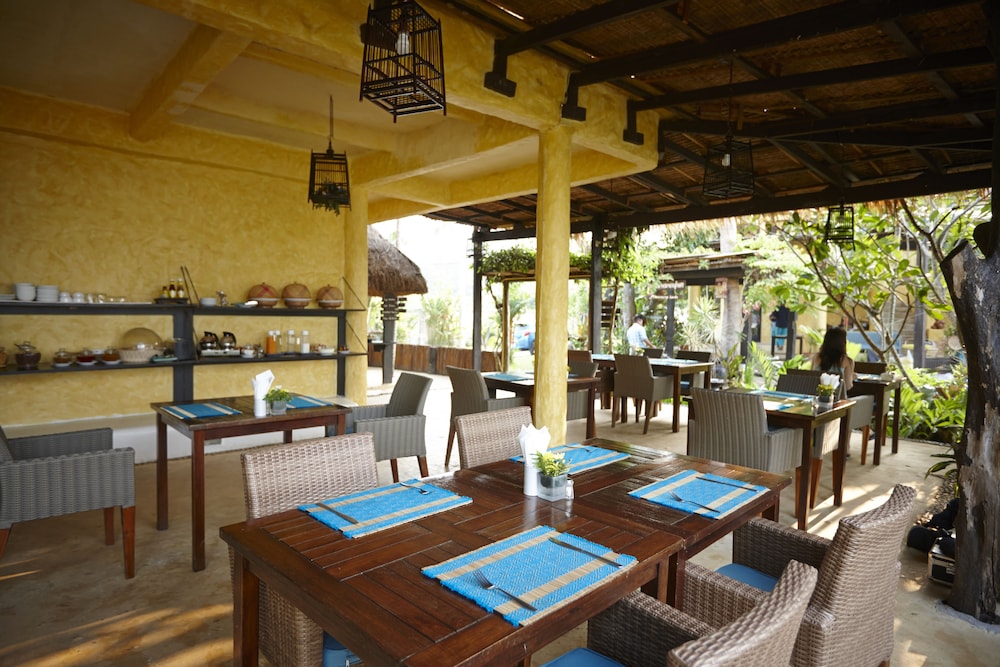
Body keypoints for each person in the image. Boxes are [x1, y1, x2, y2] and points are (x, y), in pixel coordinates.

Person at [812, 326, 855, 393]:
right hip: (838, 397)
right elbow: (848, 386)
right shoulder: (846, 361)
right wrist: (852, 377)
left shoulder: (816, 357)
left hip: (817, 395)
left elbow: (811, 379)